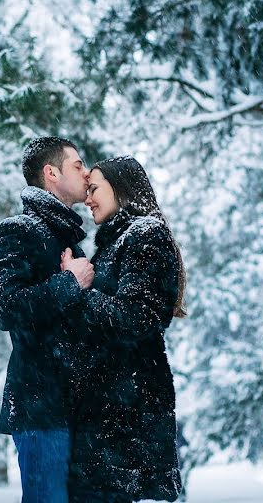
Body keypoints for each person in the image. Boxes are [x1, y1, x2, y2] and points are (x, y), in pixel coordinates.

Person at [62, 156, 186, 503]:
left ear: (121, 188)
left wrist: (78, 287)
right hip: (107, 421)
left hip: (126, 423)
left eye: (94, 189)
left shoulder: (145, 235)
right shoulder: (112, 245)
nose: (87, 198)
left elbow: (135, 317)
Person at [0, 137, 95, 503]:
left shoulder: (71, 243)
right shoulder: (16, 231)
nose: (86, 171)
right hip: (42, 408)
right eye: (77, 164)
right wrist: (69, 283)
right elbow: (4, 308)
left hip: (79, 412)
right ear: (51, 173)